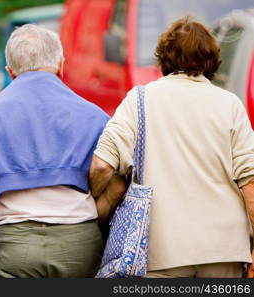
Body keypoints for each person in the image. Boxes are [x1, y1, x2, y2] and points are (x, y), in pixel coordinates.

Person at [0, 24, 125, 278]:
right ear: (61, 67)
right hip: (79, 242)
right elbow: (118, 183)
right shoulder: (96, 118)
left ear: (10, 72)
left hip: (15, 245)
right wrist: (92, 217)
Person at [89, 16, 254, 278]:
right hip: (224, 250)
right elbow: (250, 183)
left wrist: (94, 201)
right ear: (211, 58)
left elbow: (102, 165)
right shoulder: (231, 105)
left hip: (160, 251)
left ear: (164, 57)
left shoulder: (139, 100)